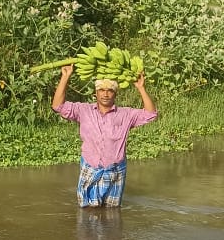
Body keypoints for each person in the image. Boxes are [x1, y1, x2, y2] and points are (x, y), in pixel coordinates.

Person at [52, 66, 157, 207]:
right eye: (102, 90)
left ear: (115, 94)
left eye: (110, 90)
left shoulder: (126, 114)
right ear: (96, 93)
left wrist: (141, 88)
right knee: (86, 211)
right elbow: (58, 106)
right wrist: (65, 77)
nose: (106, 94)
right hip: (90, 167)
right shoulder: (83, 110)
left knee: (112, 214)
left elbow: (150, 114)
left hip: (115, 171)